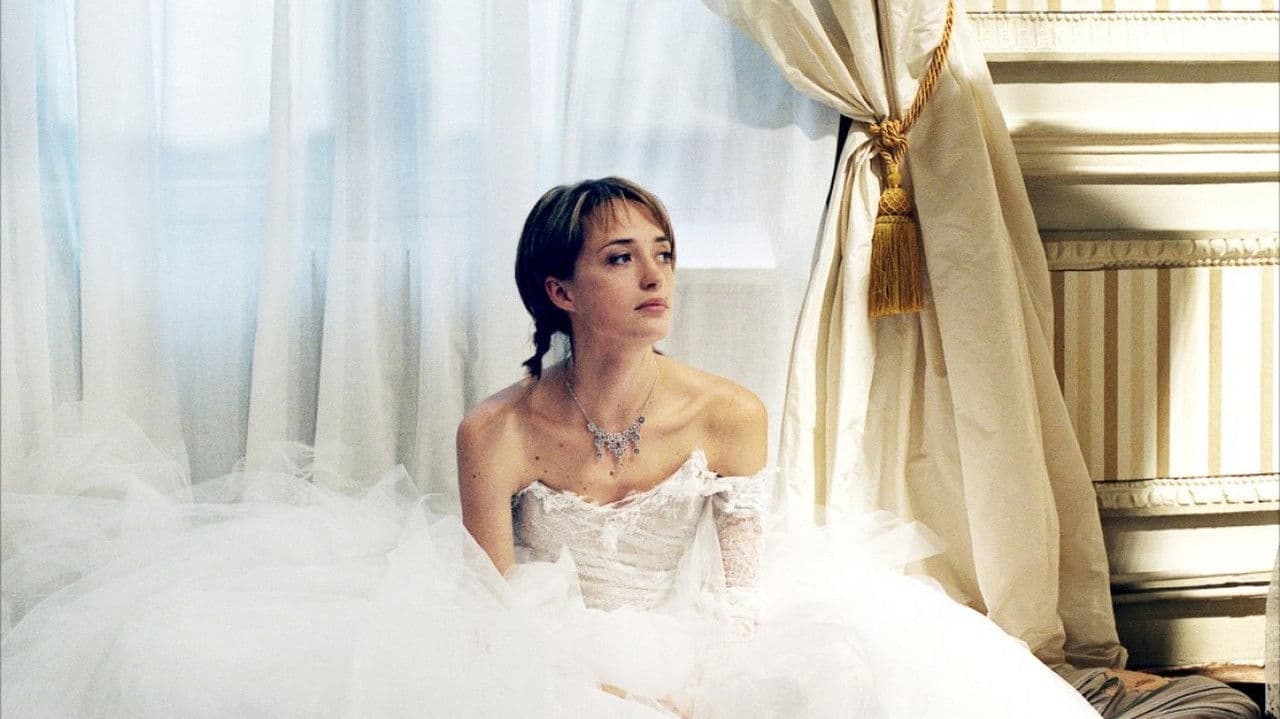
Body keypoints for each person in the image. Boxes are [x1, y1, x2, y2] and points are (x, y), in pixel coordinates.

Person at [0, 178, 1256, 717]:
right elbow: (482, 603)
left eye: (661, 252)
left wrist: (699, 680)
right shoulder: (493, 429)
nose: (654, 275)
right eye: (618, 257)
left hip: (701, 630)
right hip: (540, 645)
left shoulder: (724, 411)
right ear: (559, 289)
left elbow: (747, 591)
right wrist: (590, 687)